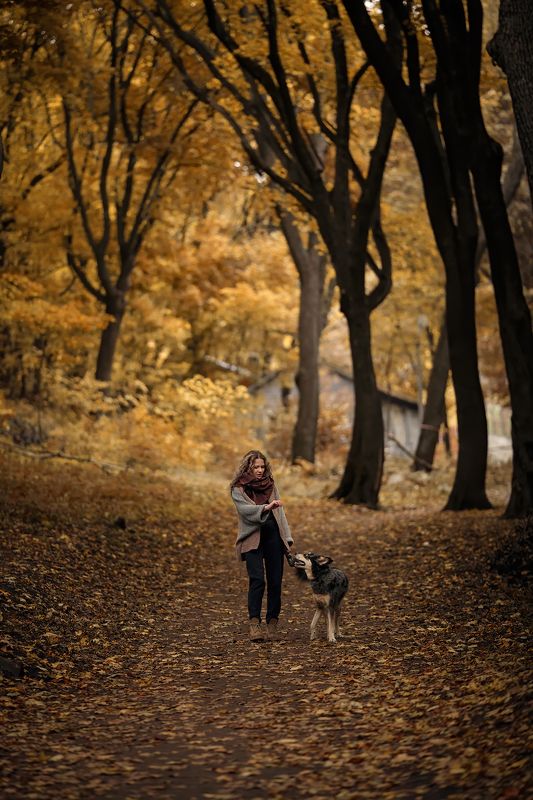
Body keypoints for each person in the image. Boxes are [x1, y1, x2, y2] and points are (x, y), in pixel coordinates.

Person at [230, 450, 294, 642]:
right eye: (255, 467)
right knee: (257, 580)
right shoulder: (238, 488)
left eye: (262, 466)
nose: (259, 470)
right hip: (252, 538)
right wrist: (266, 507)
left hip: (274, 536)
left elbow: (280, 514)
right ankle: (254, 623)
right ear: (247, 467)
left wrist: (287, 538)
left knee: (275, 581)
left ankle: (272, 622)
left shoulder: (270, 485)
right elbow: (246, 511)